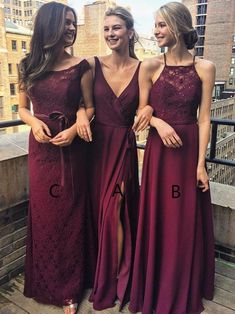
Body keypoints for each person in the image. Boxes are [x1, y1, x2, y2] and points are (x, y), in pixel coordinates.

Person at [129, 2, 215, 314]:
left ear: (178, 27)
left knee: (184, 217)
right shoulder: (149, 66)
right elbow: (141, 111)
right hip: (159, 153)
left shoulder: (204, 68)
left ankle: (181, 283)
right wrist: (157, 121)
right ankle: (156, 282)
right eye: (155, 25)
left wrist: (201, 165)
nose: (155, 31)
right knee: (160, 214)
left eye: (162, 25)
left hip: (189, 149)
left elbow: (204, 118)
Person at [18, 2, 94, 313]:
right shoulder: (27, 66)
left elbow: (89, 108)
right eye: (66, 23)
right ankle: (46, 281)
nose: (72, 28)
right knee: (44, 215)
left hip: (71, 152)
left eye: (74, 23)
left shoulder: (82, 66)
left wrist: (76, 129)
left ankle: (70, 290)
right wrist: (34, 122)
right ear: (50, 26)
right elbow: (23, 108)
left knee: (70, 217)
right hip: (41, 153)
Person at [76, 6, 152, 311]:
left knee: (116, 207)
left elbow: (146, 107)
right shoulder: (91, 66)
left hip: (123, 146)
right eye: (107, 29)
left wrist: (149, 113)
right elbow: (83, 104)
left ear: (130, 31)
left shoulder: (144, 68)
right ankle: (103, 274)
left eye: (117, 28)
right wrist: (81, 114)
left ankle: (118, 280)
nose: (111, 34)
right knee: (100, 211)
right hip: (96, 149)